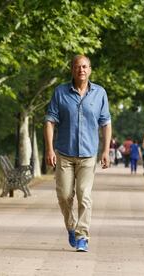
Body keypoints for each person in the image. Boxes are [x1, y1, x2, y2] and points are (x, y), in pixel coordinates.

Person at [44, 54, 112, 252]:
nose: (81, 70)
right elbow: (49, 121)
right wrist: (49, 149)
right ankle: (71, 226)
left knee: (84, 195)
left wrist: (106, 151)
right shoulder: (60, 92)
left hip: (88, 154)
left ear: (89, 70)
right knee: (65, 196)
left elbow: (106, 123)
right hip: (64, 153)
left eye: (84, 67)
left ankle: (82, 235)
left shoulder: (100, 93)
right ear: (72, 70)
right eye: (77, 67)